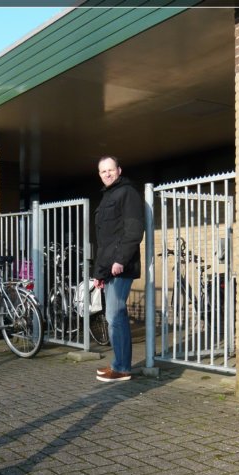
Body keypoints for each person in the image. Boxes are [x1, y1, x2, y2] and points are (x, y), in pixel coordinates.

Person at [92, 156, 144, 382]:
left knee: (116, 315)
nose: (107, 174)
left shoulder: (127, 193)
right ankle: (118, 363)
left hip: (121, 267)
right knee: (113, 317)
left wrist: (120, 260)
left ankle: (122, 368)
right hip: (109, 268)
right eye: (103, 171)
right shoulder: (107, 196)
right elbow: (105, 242)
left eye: (110, 170)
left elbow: (133, 231)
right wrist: (99, 274)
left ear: (119, 170)